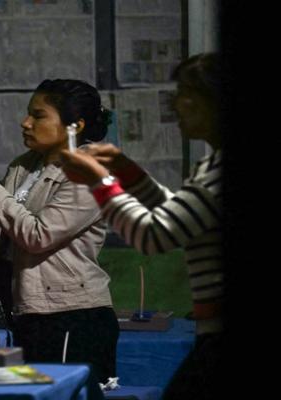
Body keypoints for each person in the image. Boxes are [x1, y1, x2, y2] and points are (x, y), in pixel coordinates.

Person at [59, 53, 223, 399]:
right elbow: (176, 215)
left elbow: (152, 236)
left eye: (184, 93)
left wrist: (100, 181)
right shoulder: (212, 164)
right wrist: (128, 173)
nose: (175, 104)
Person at [0, 79, 119, 383]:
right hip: (27, 311)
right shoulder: (24, 166)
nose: (25, 122)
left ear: (75, 126)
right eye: (28, 113)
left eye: (38, 116)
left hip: (71, 317)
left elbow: (37, 236)